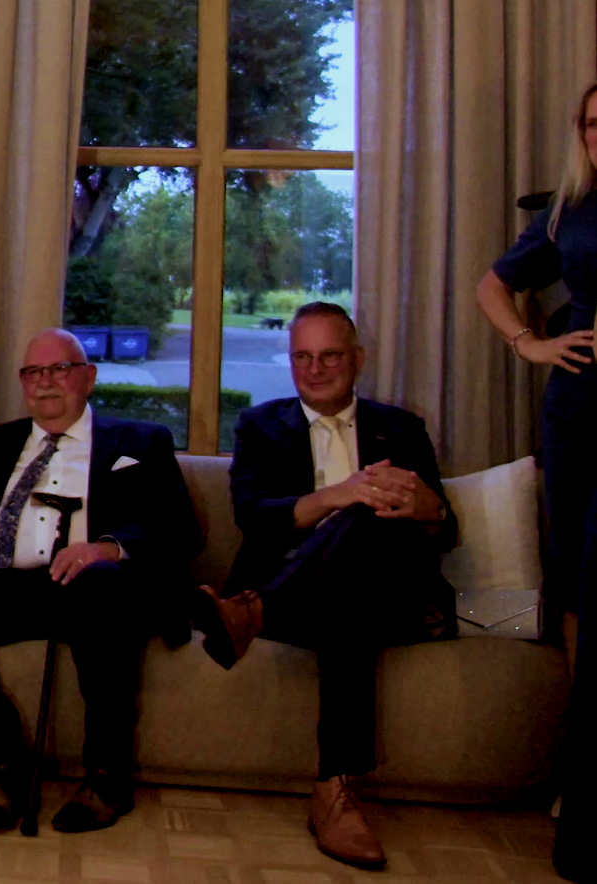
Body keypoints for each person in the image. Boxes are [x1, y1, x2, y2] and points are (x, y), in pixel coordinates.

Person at [190, 302, 455, 870]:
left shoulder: (401, 428)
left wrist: (426, 506)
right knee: (349, 578)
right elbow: (254, 516)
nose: (315, 369)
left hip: (391, 594)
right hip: (305, 595)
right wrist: (344, 493)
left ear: (356, 359)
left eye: (330, 355)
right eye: (302, 357)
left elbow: (445, 527)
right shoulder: (261, 425)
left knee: (366, 525)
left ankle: (250, 613)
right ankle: (333, 794)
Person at [0, 329, 200, 836]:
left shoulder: (140, 442)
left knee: (101, 586)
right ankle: (4, 771)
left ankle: (107, 777)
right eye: (33, 372)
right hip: (4, 584)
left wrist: (107, 547)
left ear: (88, 377)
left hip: (93, 587)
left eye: (59, 369)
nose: (45, 383)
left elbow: (179, 528)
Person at [476, 81, 597, 882]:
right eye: (591, 124)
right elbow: (494, 284)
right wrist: (530, 344)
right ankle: (579, 780)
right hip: (582, 409)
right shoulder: (567, 212)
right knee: (579, 588)